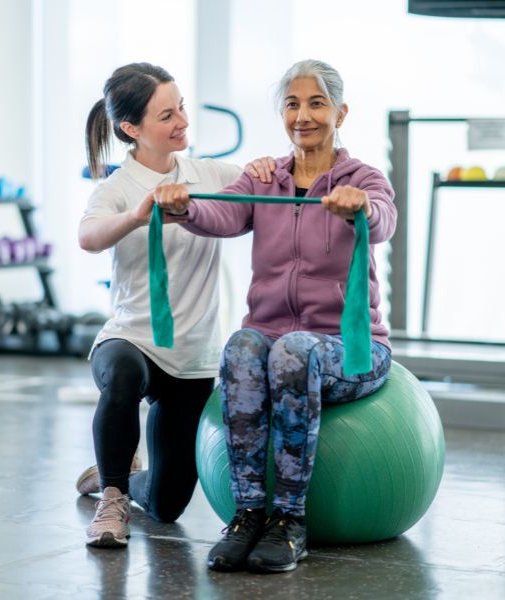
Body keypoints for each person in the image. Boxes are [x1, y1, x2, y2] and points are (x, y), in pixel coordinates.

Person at [154, 59, 397, 573]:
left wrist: (361, 208)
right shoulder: (264, 178)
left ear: (341, 112)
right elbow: (221, 212)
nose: (303, 115)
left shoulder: (362, 178)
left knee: (292, 351)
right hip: (272, 341)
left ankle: (289, 521)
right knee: (243, 346)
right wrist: (182, 207)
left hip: (351, 350)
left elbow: (383, 220)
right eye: (292, 104)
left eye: (316, 103)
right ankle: (247, 516)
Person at [77, 62, 271, 548]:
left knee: (166, 506)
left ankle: (112, 475)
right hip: (132, 339)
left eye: (181, 106)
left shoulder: (208, 174)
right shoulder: (117, 188)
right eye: (167, 115)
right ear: (131, 129)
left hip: (190, 358)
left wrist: (269, 168)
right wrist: (136, 216)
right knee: (121, 377)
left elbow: (263, 184)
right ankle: (112, 495)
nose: (182, 120)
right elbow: (88, 236)